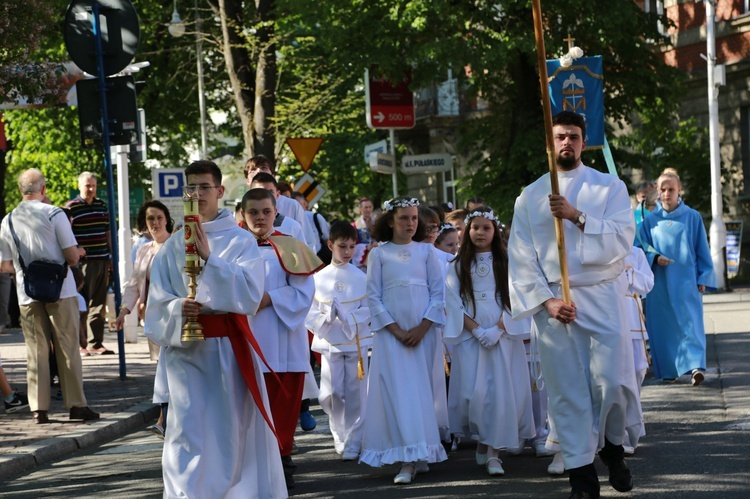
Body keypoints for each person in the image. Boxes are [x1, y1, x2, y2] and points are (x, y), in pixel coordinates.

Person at [508, 111, 640, 498]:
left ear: (584, 142)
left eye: (574, 136)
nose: (567, 142)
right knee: (567, 392)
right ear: (550, 142)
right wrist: (547, 301)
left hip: (601, 295)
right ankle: (581, 476)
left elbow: (622, 239)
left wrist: (577, 216)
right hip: (555, 303)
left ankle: (613, 448)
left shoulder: (609, 186)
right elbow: (520, 258)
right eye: (561, 136)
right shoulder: (529, 196)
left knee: (612, 383)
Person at [145, 161, 285, 498]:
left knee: (229, 434)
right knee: (185, 434)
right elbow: (156, 303)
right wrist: (179, 308)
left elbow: (251, 295)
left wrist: (211, 258)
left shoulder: (241, 241)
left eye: (204, 187)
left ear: (220, 192)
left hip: (227, 354)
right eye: (190, 188)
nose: (196, 194)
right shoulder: (172, 245)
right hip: (186, 351)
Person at [359, 196, 449, 485]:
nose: (410, 223)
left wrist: (422, 328)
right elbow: (373, 296)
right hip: (391, 337)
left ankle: (420, 452)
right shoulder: (379, 254)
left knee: (421, 394)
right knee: (399, 393)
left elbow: (438, 294)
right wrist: (396, 331)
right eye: (403, 218)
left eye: (413, 218)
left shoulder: (426, 252)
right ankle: (407, 457)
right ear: (390, 221)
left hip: (422, 336)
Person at [0, 168, 99, 424]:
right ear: (43, 190)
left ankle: (38, 409)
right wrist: (80, 252)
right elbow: (71, 256)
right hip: (61, 291)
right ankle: (76, 405)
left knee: (36, 350)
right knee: (67, 348)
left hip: (27, 293)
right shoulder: (54, 213)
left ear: (21, 190)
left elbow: (5, 266)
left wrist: (26, 269)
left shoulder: (7, 220)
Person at [444, 207, 534, 476]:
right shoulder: (457, 265)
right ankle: (484, 441)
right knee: (477, 394)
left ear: (495, 231)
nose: (480, 233)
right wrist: (476, 330)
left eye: (486, 228)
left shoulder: (507, 262)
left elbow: (518, 298)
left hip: (502, 334)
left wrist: (498, 328)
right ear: (467, 232)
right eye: (475, 228)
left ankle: (495, 452)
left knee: (501, 394)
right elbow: (453, 302)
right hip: (473, 337)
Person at [240, 187, 321, 489]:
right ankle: (252, 471)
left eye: (265, 211)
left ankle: (283, 465)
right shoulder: (234, 246)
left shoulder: (291, 245)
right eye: (253, 212)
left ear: (276, 212)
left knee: (282, 409)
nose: (260, 217)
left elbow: (304, 292)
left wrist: (269, 299)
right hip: (246, 341)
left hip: (283, 340)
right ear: (243, 214)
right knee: (248, 411)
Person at [638, 168, 716, 385]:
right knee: (663, 327)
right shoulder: (649, 222)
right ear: (657, 192)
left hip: (686, 282)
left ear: (679, 190)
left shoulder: (692, 217)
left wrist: (704, 278)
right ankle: (669, 370)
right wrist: (654, 257)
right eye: (662, 189)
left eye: (671, 189)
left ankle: (695, 368)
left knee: (691, 324)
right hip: (659, 284)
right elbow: (639, 248)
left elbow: (702, 250)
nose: (666, 193)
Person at [305, 221, 372, 461]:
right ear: (330, 244)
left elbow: (369, 308)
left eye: (352, 247)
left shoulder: (361, 277)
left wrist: (349, 317)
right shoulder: (316, 278)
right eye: (342, 246)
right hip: (330, 341)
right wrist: (326, 317)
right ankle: (339, 433)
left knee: (356, 391)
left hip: (355, 340)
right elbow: (308, 310)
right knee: (331, 392)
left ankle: (355, 439)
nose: (347, 252)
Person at [110, 200, 174, 437]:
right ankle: (166, 417)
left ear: (166, 218)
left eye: (159, 217)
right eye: (150, 219)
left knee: (172, 368)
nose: (155, 223)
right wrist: (122, 313)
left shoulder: (177, 244)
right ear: (144, 224)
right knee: (162, 368)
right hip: (154, 318)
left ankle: (164, 419)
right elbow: (135, 284)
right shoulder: (145, 250)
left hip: (176, 316)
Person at [66, 172, 114, 355]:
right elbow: (66, 236)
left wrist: (112, 256)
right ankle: (81, 344)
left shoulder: (102, 205)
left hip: (102, 260)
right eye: (87, 186)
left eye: (94, 186)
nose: (91, 189)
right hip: (83, 263)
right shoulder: (71, 208)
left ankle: (96, 343)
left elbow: (107, 232)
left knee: (99, 304)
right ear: (79, 186)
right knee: (82, 305)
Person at [244, 155, 317, 249]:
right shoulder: (242, 207)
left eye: (263, 167)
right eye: (253, 170)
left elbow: (308, 241)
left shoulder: (291, 208)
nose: (258, 171)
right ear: (248, 181)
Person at [622, 245, 654, 453]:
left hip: (632, 318)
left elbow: (648, 283)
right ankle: (618, 434)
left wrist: (630, 273)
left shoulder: (636, 253)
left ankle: (632, 428)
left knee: (636, 372)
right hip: (607, 318)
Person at [249, 173, 306, 242]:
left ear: (277, 195)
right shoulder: (241, 228)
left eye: (270, 192)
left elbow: (304, 251)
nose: (265, 197)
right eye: (259, 192)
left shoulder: (292, 227)